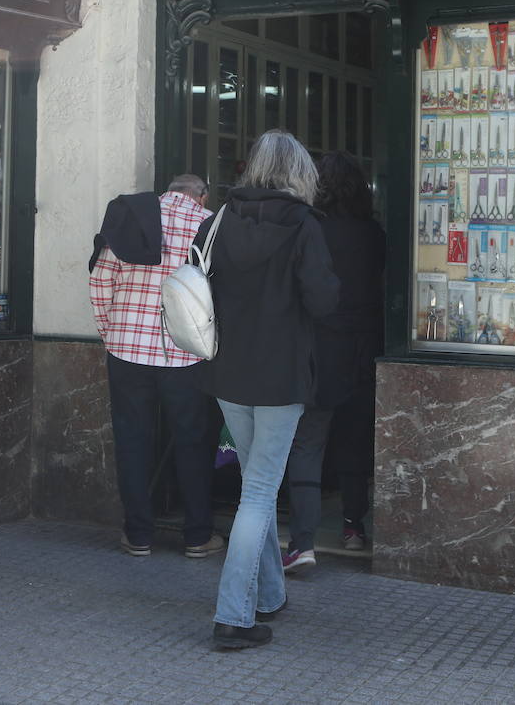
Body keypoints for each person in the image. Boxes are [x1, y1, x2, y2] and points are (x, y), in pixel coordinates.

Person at [197, 130, 339, 650]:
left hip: (228, 373)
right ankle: (232, 616)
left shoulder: (218, 222)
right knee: (258, 492)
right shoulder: (304, 225)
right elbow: (323, 301)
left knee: (252, 488)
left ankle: (268, 597)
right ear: (300, 173)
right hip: (281, 377)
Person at [89, 174, 225, 558]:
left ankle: (139, 535)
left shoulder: (132, 216)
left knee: (132, 441)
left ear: (169, 190)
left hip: (127, 349)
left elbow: (101, 280)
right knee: (193, 442)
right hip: (185, 353)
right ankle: (198, 536)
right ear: (201, 196)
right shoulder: (210, 223)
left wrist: (110, 331)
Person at [282, 151, 385, 574]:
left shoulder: (309, 230)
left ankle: (303, 542)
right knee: (355, 443)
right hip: (362, 349)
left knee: (308, 444)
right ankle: (353, 527)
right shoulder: (374, 235)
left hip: (317, 352)